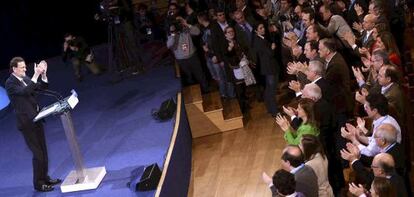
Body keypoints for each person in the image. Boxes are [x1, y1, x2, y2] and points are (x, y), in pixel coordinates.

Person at [5, 57, 61, 192]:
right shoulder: (10, 83)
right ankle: (38, 183)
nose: (25, 69)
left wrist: (43, 75)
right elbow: (24, 92)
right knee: (38, 154)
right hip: (27, 123)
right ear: (14, 69)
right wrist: (35, 75)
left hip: (37, 118)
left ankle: (45, 177)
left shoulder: (24, 79)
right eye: (22, 67)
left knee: (43, 151)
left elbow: (40, 87)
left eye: (25, 66)